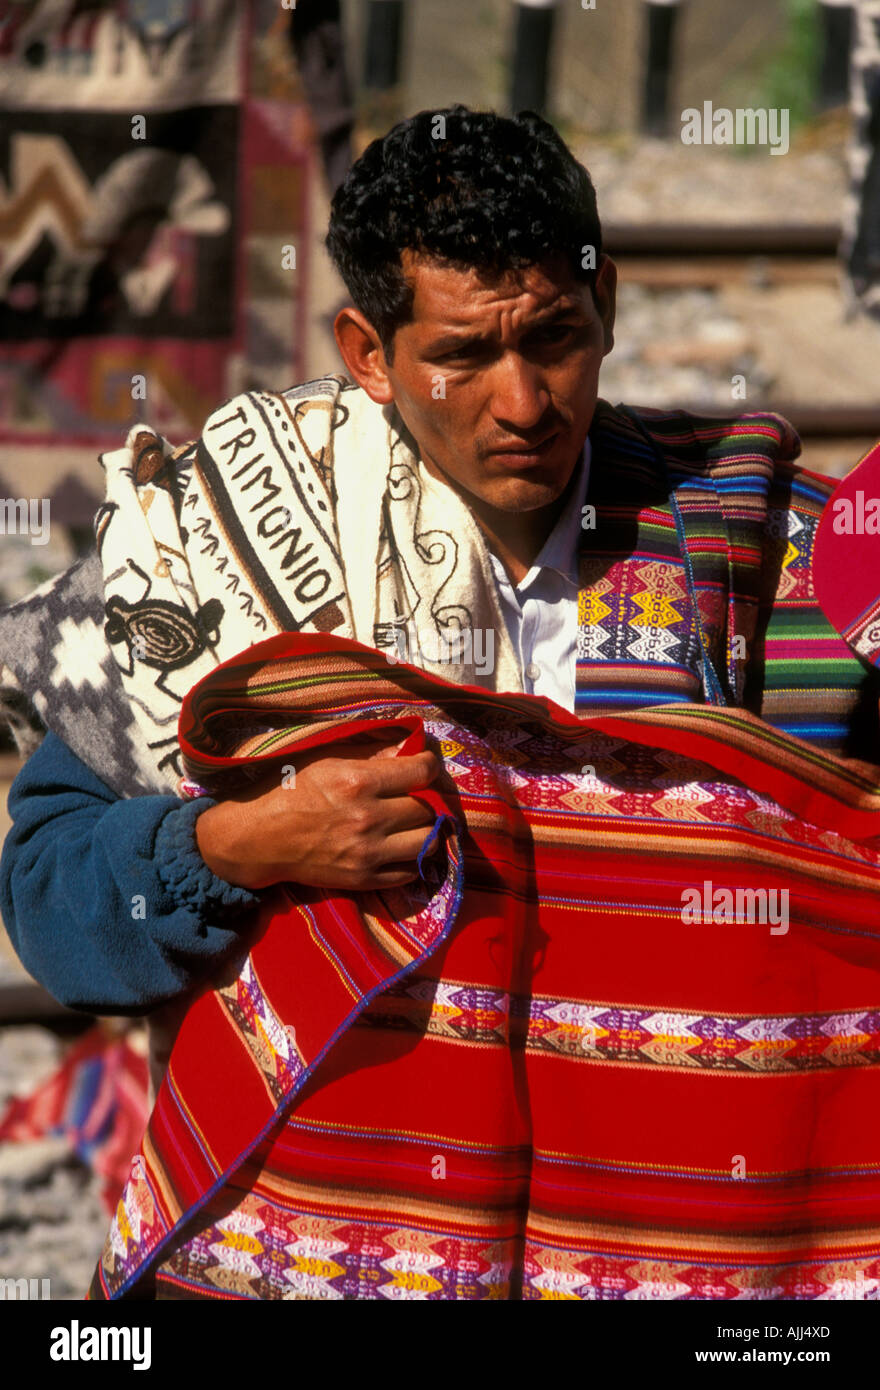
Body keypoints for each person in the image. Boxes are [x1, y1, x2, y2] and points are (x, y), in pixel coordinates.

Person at [1, 108, 879, 1301]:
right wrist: (244, 842)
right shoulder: (235, 551)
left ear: (607, 303)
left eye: (556, 340)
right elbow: (55, 899)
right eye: (462, 355)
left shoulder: (758, 556)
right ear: (367, 350)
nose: (522, 402)